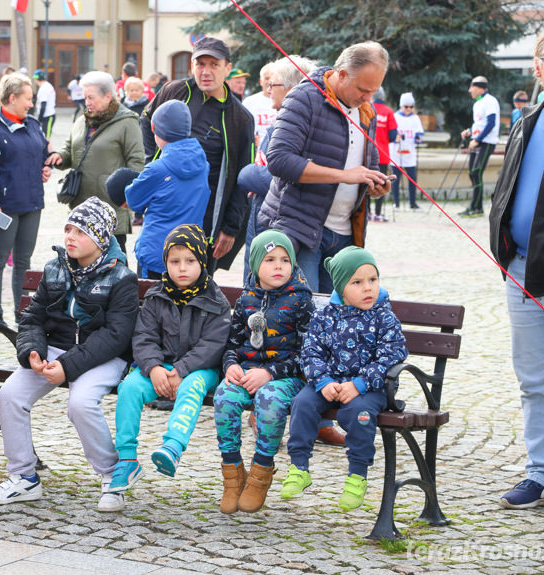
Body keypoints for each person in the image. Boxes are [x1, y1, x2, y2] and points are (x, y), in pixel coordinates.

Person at [0, 198, 138, 512]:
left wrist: (66, 367)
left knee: (80, 403)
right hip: (56, 350)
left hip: (105, 357)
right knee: (10, 394)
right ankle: (23, 477)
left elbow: (115, 337)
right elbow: (33, 317)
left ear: (101, 237)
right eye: (68, 228)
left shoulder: (121, 278)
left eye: (81, 231)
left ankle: (113, 476)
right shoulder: (56, 267)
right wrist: (33, 351)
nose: (70, 236)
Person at [489, 22, 544, 523]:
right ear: (538, 67)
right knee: (534, 381)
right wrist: (503, 247)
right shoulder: (525, 122)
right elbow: (507, 190)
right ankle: (543, 473)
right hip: (520, 272)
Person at [260, 41, 392, 294]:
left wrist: (375, 184)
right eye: (363, 89)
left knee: (335, 320)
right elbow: (278, 159)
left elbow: (368, 166)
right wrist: (344, 176)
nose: (368, 98)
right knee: (302, 315)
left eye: (373, 91)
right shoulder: (303, 97)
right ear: (342, 74)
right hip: (300, 229)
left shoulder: (366, 110)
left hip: (344, 235)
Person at [108, 224, 230, 494]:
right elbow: (143, 337)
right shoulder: (156, 296)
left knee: (192, 385)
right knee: (129, 387)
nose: (182, 268)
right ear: (166, 263)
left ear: (203, 261)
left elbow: (213, 344)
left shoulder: (215, 300)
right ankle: (127, 458)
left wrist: (181, 370)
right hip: (160, 368)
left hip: (201, 370)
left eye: (190, 261)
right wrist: (152, 368)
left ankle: (173, 445)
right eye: (175, 262)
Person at [283, 246, 407, 511]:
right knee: (302, 403)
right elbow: (311, 353)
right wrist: (323, 381)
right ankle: (299, 467)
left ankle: (357, 475)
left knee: (359, 414)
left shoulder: (384, 317)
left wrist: (359, 384)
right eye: (358, 282)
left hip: (369, 387)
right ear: (340, 287)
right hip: (330, 382)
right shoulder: (324, 316)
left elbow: (391, 355)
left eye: (373, 280)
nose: (368, 288)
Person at [214, 230, 314, 514]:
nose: (279, 266)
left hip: (287, 378)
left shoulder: (301, 300)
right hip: (246, 373)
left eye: (285, 260)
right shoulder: (246, 299)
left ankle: (261, 471)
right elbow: (232, 343)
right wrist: (231, 365)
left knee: (269, 401)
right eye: (270, 259)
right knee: (224, 397)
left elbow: (308, 354)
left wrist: (270, 373)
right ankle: (232, 475)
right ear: (256, 264)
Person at [142, 37, 255, 273]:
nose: (206, 71)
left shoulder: (240, 118)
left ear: (227, 68)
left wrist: (230, 227)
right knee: (153, 285)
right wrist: (149, 162)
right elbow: (146, 119)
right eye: (200, 63)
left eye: (214, 64)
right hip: (164, 212)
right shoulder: (175, 91)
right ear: (192, 66)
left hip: (205, 219)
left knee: (195, 289)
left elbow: (244, 179)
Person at [0, 73, 60, 323]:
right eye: (28, 98)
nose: (31, 103)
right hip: (4, 208)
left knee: (23, 262)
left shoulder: (33, 124)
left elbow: (41, 152)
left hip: (31, 204)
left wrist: (45, 166)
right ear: (12, 98)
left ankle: (22, 311)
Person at [239, 55, 318, 281]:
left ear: (293, 89)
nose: (268, 90)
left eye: (273, 85)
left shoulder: (300, 128)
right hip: (261, 215)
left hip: (277, 225)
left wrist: (247, 174)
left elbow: (275, 176)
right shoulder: (281, 123)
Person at [56, 71, 144, 254]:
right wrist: (59, 157)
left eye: (91, 97)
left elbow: (136, 162)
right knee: (80, 262)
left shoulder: (127, 122)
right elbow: (69, 148)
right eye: (85, 97)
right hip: (81, 205)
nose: (87, 102)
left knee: (113, 264)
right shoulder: (82, 120)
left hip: (110, 207)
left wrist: (127, 196)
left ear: (108, 96)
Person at [122, 100, 210, 279]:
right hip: (190, 251)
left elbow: (133, 200)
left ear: (154, 128)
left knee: (152, 303)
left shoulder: (157, 169)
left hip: (157, 253)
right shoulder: (203, 165)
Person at [459, 75, 499, 217]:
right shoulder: (477, 103)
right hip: (477, 140)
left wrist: (478, 139)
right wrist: (469, 132)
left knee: (476, 171)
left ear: (479, 88)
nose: (470, 90)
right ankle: (477, 207)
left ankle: (476, 207)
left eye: (472, 87)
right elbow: (479, 124)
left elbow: (491, 123)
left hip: (486, 142)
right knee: (472, 172)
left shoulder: (490, 101)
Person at [391, 92, 424, 210]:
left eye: (411, 107)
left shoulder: (415, 118)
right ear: (401, 106)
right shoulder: (395, 116)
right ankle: (396, 203)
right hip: (396, 153)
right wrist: (396, 138)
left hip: (410, 153)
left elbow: (419, 133)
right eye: (406, 107)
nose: (409, 109)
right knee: (396, 179)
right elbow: (391, 134)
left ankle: (413, 203)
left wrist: (419, 138)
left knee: (412, 179)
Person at [369, 87, 397, 221]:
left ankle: (367, 213)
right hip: (383, 154)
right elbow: (392, 135)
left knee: (367, 184)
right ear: (384, 97)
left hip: (367, 153)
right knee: (382, 184)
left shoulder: (367, 107)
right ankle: (378, 213)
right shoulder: (389, 112)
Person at [241, 63, 277, 147]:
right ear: (261, 81)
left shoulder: (283, 101)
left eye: (272, 78)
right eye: (266, 78)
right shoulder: (249, 102)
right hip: (256, 152)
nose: (269, 81)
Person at [33, 69, 56, 138]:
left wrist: (39, 119)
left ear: (36, 79)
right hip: (50, 114)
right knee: (45, 137)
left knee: (46, 138)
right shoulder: (48, 85)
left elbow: (43, 105)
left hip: (47, 116)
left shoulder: (43, 89)